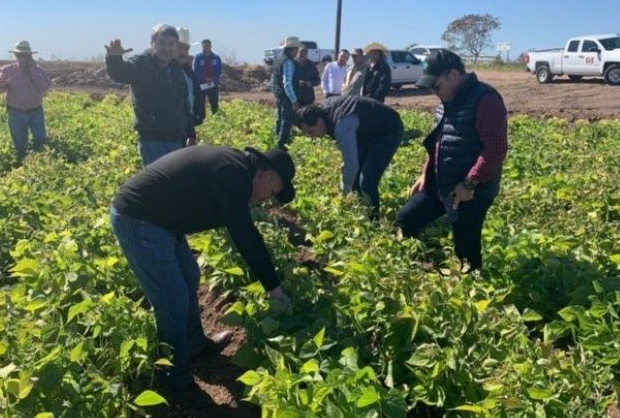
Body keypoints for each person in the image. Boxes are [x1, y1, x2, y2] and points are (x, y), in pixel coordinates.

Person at [110, 145, 295, 408]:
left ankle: (195, 344)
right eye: (273, 192)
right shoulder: (235, 177)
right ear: (266, 176)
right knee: (171, 299)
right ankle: (177, 379)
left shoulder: (237, 168)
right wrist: (274, 289)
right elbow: (246, 237)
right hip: (139, 218)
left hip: (162, 220)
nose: (268, 200)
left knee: (189, 276)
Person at [395, 49, 508, 273]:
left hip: (470, 191)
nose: (434, 92)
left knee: (465, 250)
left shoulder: (485, 99)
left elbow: (495, 150)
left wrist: (469, 183)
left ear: (454, 75)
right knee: (405, 220)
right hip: (440, 184)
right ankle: (421, 270)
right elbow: (439, 141)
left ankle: (471, 292)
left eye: (436, 86)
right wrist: (426, 172)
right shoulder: (446, 101)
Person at [295, 95, 404, 218]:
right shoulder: (324, 112)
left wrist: (344, 194)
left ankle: (373, 219)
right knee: (355, 179)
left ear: (319, 121)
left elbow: (351, 165)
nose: (311, 137)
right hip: (367, 131)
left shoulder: (341, 124)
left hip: (388, 129)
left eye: (311, 132)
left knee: (367, 181)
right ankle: (361, 209)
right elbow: (349, 158)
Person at [105, 23, 194, 166]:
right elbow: (121, 72)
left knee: (174, 184)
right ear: (153, 44)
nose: (166, 48)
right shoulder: (142, 63)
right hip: (153, 140)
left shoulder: (176, 70)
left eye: (171, 44)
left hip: (177, 139)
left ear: (176, 47)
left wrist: (191, 133)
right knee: (158, 184)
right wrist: (114, 59)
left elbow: (184, 104)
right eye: (161, 43)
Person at [0, 40, 51, 161]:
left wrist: (33, 72)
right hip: (16, 113)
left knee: (40, 141)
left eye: (26, 55)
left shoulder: (39, 70)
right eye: (20, 55)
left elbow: (45, 86)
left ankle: (39, 163)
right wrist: (1, 86)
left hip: (36, 112)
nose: (23, 58)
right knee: (20, 146)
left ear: (30, 56)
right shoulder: (7, 70)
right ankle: (22, 164)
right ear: (16, 56)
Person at [271, 36, 304, 148]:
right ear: (292, 49)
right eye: (296, 49)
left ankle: (277, 139)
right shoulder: (288, 62)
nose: (297, 52)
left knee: (280, 119)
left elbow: (274, 78)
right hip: (286, 96)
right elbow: (287, 83)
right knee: (287, 121)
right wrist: (294, 100)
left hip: (279, 94)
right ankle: (281, 146)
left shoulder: (279, 58)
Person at [176, 27, 204, 145]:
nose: (183, 52)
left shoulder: (190, 73)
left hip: (186, 130)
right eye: (179, 48)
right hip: (170, 133)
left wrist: (191, 132)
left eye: (186, 48)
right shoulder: (164, 72)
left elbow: (195, 98)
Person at [193, 39, 222, 115]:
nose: (206, 48)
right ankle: (201, 119)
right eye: (204, 46)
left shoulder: (216, 58)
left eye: (208, 46)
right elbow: (196, 70)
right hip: (201, 85)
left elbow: (219, 70)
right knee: (200, 103)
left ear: (211, 46)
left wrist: (213, 78)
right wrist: (205, 78)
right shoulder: (197, 58)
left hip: (213, 84)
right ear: (202, 47)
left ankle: (216, 118)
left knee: (214, 103)